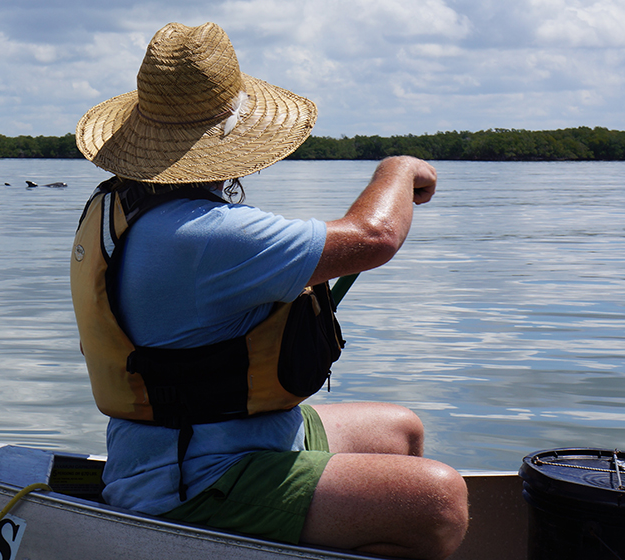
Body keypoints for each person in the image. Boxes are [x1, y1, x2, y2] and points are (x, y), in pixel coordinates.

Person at [69, 21, 468, 560]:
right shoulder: (201, 235)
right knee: (439, 501)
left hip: (209, 442)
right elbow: (374, 237)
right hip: (194, 480)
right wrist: (398, 169)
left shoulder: (115, 210)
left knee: (401, 431)